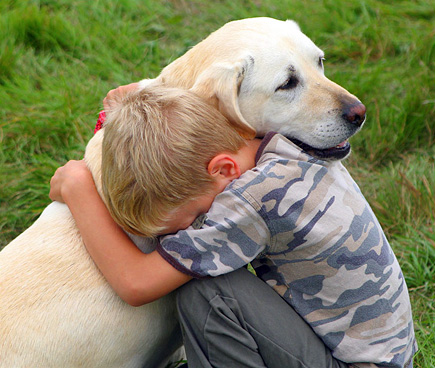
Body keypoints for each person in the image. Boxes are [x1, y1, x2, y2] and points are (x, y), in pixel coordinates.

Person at [50, 84, 417, 368]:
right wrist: (141, 103)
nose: (191, 232)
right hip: (381, 354)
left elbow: (136, 283)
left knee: (208, 293)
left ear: (224, 171)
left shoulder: (251, 201)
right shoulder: (279, 142)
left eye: (193, 220)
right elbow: (196, 113)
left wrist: (79, 188)